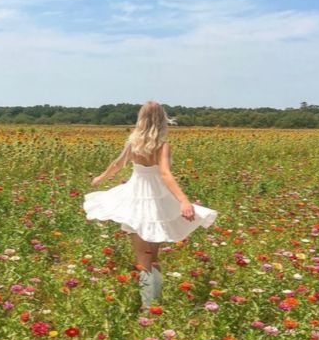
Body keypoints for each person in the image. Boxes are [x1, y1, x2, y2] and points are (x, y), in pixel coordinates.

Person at [82, 101, 218, 311]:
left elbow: (118, 164)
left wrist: (101, 178)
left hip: (135, 198)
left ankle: (149, 305)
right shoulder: (162, 146)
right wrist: (183, 200)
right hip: (157, 200)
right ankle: (153, 302)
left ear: (141, 119)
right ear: (162, 120)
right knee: (152, 256)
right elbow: (164, 174)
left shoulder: (133, 143)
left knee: (143, 257)